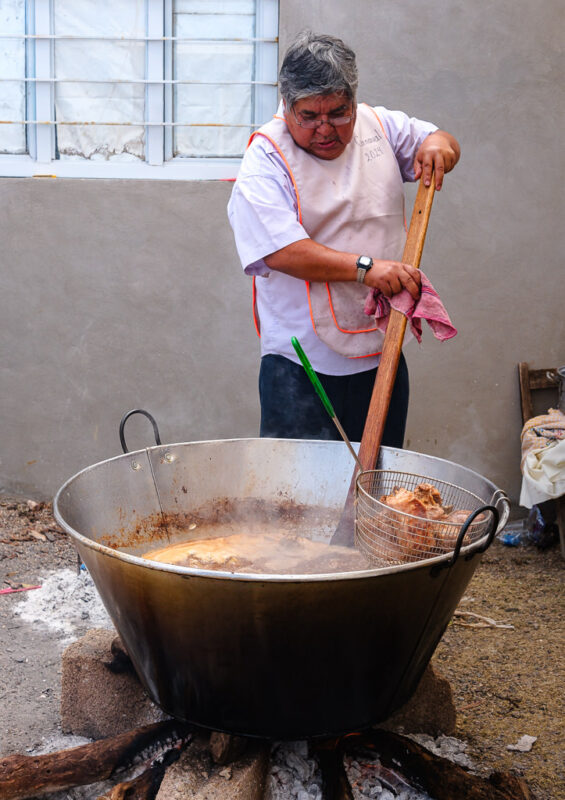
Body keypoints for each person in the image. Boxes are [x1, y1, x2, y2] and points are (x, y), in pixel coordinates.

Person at [228, 31, 460, 447]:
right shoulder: (266, 157)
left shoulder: (377, 126)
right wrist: (366, 270)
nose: (325, 129)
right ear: (286, 105)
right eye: (308, 116)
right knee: (298, 500)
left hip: (382, 351)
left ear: (353, 99)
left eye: (338, 112)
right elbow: (281, 251)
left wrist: (439, 147)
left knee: (376, 490)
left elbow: (439, 140)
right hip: (301, 368)